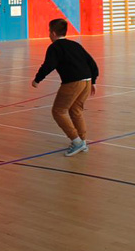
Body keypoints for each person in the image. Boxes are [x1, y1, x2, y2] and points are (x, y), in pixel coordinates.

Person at [31, 18, 99, 157]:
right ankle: (82, 141)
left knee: (58, 111)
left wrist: (37, 80)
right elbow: (91, 62)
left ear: (54, 33)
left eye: (50, 32)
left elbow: (48, 65)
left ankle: (77, 141)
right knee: (75, 110)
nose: (49, 34)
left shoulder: (55, 47)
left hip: (73, 82)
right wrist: (93, 81)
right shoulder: (75, 44)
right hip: (87, 81)